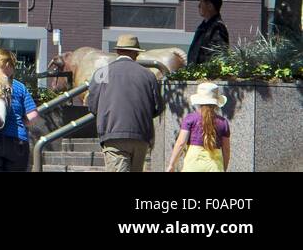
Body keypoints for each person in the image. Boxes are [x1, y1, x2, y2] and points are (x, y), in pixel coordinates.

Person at [88, 34, 163, 172]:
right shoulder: (148, 74)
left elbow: (92, 105)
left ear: (117, 51)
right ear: (136, 53)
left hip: (113, 134)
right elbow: (157, 108)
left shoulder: (102, 73)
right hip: (141, 135)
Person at [166, 82, 231, 172]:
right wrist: (224, 168)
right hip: (214, 167)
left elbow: (180, 143)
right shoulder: (223, 122)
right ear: (216, 102)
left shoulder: (190, 119)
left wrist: (171, 165)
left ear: (199, 101)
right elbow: (226, 150)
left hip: (193, 165)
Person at [187, 0, 230, 68]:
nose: (198, 6)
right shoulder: (204, 26)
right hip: (196, 76)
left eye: (201, 2)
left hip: (207, 78)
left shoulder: (218, 27)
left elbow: (219, 56)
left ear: (210, 6)